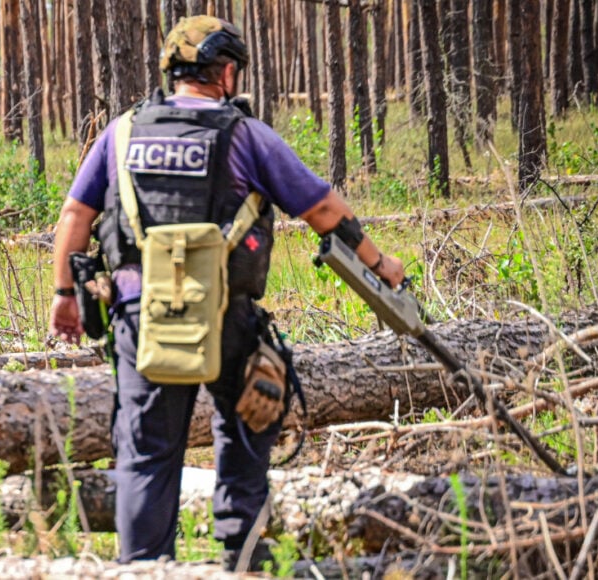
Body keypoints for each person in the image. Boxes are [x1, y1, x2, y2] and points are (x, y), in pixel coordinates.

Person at [48, 16, 405, 571]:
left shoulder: (120, 133)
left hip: (142, 316)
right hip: (224, 314)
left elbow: (75, 214)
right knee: (249, 419)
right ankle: (241, 556)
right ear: (228, 73)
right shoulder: (246, 135)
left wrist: (64, 295)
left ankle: (144, 566)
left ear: (173, 73)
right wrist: (381, 264)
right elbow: (324, 211)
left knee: (145, 455)